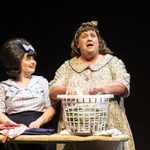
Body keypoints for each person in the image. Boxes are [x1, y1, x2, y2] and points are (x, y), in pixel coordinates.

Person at [49, 21, 135, 150]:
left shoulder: (112, 62)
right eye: (84, 36)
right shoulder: (67, 67)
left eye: (92, 35)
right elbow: (53, 90)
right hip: (75, 135)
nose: (89, 38)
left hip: (109, 131)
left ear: (98, 42)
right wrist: (67, 90)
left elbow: (123, 85)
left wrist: (101, 88)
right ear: (77, 44)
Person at [0, 38, 56, 150]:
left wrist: (38, 123)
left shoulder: (41, 81)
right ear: (16, 60)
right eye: (28, 58)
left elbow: (51, 108)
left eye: (33, 58)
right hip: (14, 134)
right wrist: (13, 125)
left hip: (39, 131)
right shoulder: (4, 86)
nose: (33, 61)